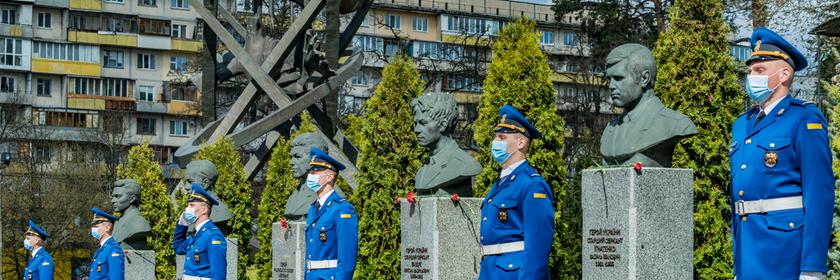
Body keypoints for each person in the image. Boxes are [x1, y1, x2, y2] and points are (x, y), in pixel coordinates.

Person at [729, 27, 834, 280]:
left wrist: (811, 266)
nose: (751, 77)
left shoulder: (804, 118)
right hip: (748, 250)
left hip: (786, 252)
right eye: (750, 71)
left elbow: (819, 193)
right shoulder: (741, 124)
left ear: (784, 74)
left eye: (760, 70)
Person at [478, 105, 554, 280]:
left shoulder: (532, 185)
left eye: (502, 137)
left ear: (520, 142)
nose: (495, 142)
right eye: (496, 136)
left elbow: (537, 246)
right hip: (491, 272)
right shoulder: (502, 182)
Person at [303, 148, 358, 280]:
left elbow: (347, 259)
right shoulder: (313, 209)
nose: (310, 175)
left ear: (329, 176)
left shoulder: (343, 209)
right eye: (310, 171)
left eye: (315, 172)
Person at [172, 183, 227, 280]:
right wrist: (182, 224)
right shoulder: (196, 234)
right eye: (188, 205)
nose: (187, 209)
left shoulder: (213, 235)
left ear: (203, 210)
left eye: (192, 205)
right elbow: (178, 248)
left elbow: (218, 275)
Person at [88, 208, 125, 280]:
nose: (93, 229)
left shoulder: (113, 249)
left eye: (96, 226)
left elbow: (116, 277)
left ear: (107, 228)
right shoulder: (101, 249)